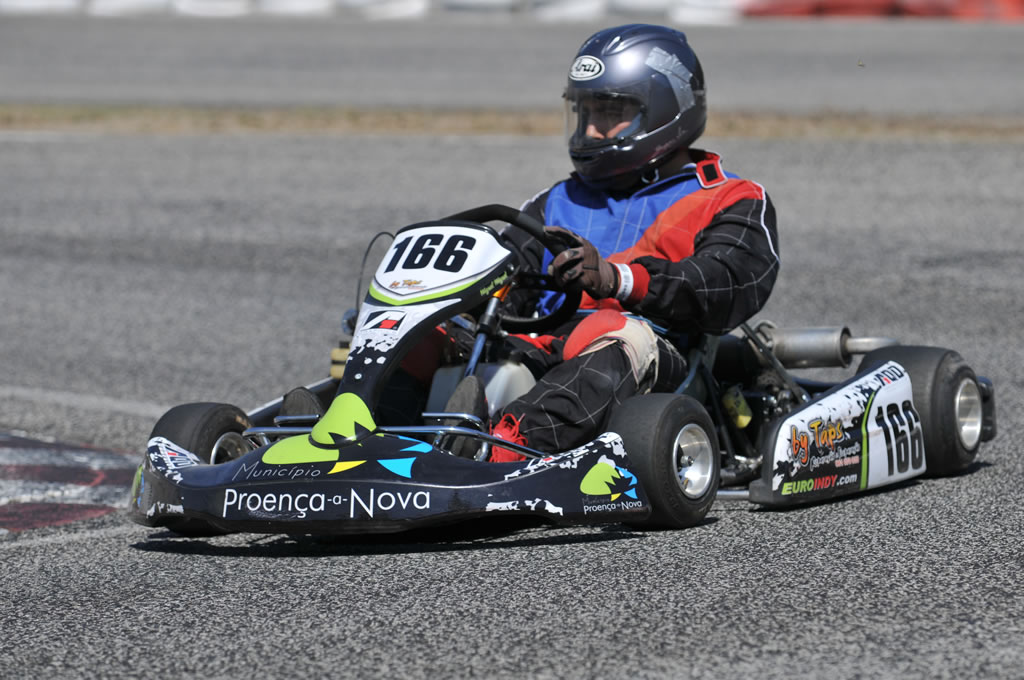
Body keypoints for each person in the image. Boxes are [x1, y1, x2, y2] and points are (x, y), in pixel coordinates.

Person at [485, 23, 780, 461]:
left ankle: (507, 451)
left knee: (615, 332)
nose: (592, 130)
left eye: (610, 112)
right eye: (585, 112)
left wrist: (618, 279)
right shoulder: (556, 201)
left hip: (657, 357)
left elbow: (723, 284)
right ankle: (380, 437)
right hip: (545, 346)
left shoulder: (729, 199)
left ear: (664, 110)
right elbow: (503, 275)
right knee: (440, 333)